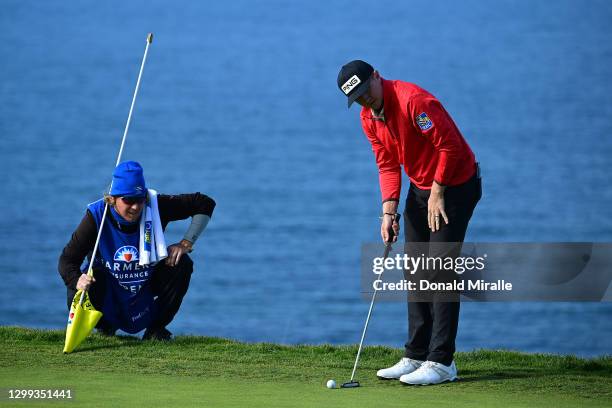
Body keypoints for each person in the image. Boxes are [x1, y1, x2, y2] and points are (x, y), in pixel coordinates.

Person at [337, 60, 481, 385]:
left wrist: (438, 189)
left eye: (365, 91)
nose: (365, 100)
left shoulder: (413, 101)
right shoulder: (368, 118)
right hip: (421, 188)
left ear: (376, 76)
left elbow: (451, 146)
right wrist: (388, 211)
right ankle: (416, 354)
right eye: (356, 98)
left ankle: (442, 362)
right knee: (414, 268)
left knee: (441, 269)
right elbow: (387, 164)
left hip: (455, 185)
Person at [58, 161, 215, 340]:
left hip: (145, 284)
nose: (135, 207)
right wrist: (77, 280)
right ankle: (105, 326)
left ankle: (156, 330)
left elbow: (204, 203)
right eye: (128, 200)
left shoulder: (156, 206)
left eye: (139, 199)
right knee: (80, 281)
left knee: (182, 264)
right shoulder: (96, 216)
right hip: (108, 286)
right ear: (112, 198)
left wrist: (185, 243)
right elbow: (67, 261)